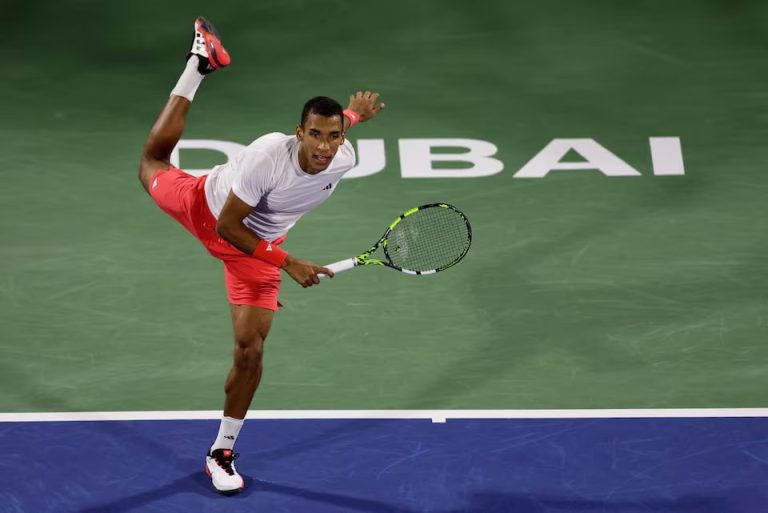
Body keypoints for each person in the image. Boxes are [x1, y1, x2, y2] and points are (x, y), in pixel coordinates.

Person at [137, 17, 385, 495]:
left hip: (254, 253)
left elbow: (341, 123)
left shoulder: (343, 156)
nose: (325, 147)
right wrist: (288, 262)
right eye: (315, 135)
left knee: (250, 352)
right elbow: (229, 227)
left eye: (333, 136)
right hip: (208, 210)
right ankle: (198, 65)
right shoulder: (268, 155)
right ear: (299, 132)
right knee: (152, 163)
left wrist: (354, 114)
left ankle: (221, 452)